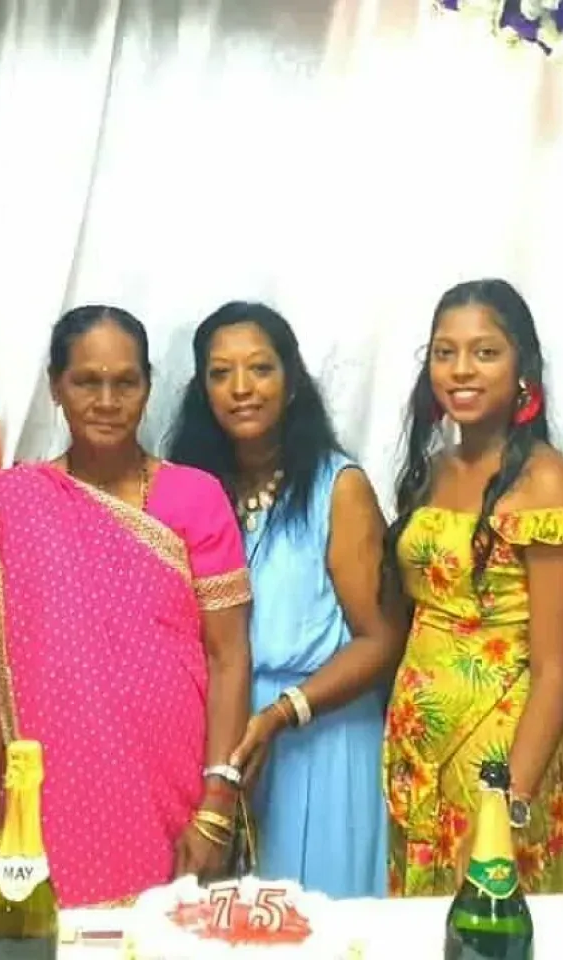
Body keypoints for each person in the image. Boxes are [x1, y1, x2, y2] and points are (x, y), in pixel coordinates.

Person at [0, 306, 252, 908]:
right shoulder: (14, 504)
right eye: (86, 382)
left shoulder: (196, 497)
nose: (106, 401)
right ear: (55, 386)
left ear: (148, 387)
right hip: (45, 807)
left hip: (174, 796)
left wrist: (216, 804)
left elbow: (229, 658)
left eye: (125, 382)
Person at [383, 279, 563, 896]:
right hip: (422, 756)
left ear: (522, 371)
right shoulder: (431, 473)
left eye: (485, 352)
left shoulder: (547, 484)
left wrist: (508, 806)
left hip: (505, 762)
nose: (461, 370)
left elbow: (556, 670)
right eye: (444, 352)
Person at [167, 302, 401, 898]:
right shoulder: (192, 491)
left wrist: (281, 713)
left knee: (320, 922)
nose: (241, 388)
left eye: (260, 369)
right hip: (222, 740)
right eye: (221, 373)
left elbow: (381, 641)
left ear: (292, 381)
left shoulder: (338, 487)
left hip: (319, 739)